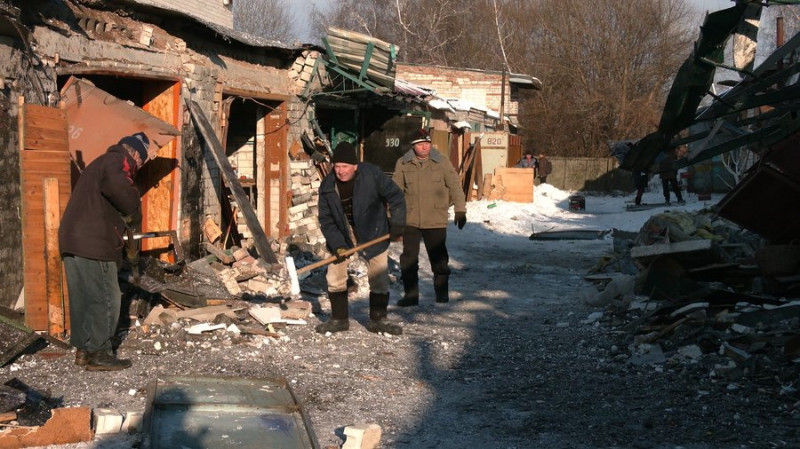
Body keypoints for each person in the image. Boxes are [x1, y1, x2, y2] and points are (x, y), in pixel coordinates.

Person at [59, 132, 150, 371]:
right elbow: (119, 188)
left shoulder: (97, 163)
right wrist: (134, 208)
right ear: (135, 154)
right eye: (142, 161)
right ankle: (100, 353)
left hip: (73, 240)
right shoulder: (116, 161)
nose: (139, 166)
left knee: (83, 299)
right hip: (94, 242)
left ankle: (84, 351)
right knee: (106, 296)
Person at [317, 141, 406, 335]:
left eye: (345, 166)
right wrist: (338, 244)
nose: (340, 171)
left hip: (373, 231)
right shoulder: (327, 186)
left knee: (379, 277)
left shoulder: (372, 175)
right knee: (334, 276)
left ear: (355, 166)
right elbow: (326, 219)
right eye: (337, 166)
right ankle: (339, 320)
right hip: (343, 234)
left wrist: (398, 224)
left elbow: (396, 196)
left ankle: (378, 321)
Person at [393, 128, 467, 306]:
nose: (424, 147)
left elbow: (455, 185)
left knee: (439, 259)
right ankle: (411, 295)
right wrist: (394, 219)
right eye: (420, 144)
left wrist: (460, 210)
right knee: (408, 259)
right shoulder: (403, 163)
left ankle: (441, 293)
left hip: (435, 218)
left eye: (427, 143)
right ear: (413, 146)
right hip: (410, 219)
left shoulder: (441, 161)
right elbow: (395, 192)